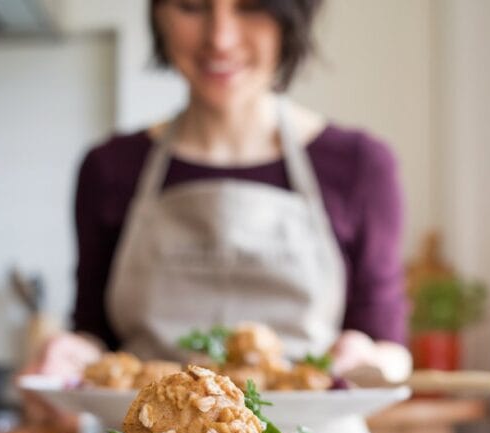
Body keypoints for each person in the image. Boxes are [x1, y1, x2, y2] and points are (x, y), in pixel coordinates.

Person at [30, 0, 411, 398]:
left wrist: (372, 359)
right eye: (192, 7)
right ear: (158, 14)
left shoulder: (360, 166)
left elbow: (389, 345)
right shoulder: (109, 169)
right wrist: (69, 353)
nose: (220, 39)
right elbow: (95, 335)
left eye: (250, 7)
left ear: (291, 18)